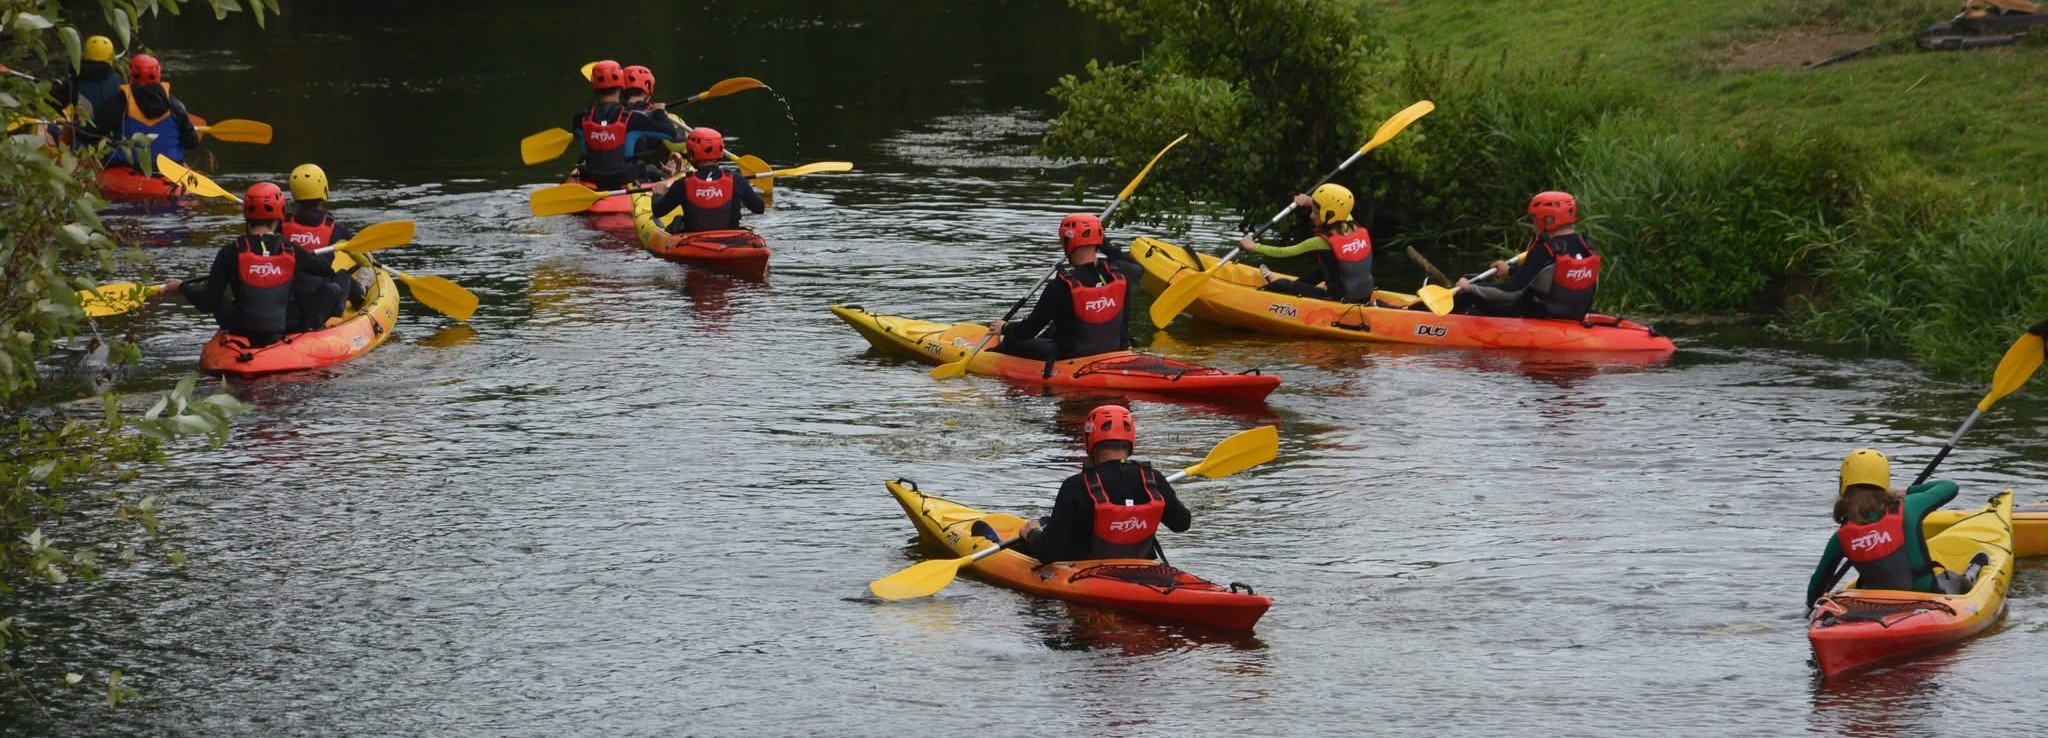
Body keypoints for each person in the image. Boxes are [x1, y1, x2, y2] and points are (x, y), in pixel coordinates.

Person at [165, 183, 340, 346]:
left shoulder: (229, 252)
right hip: (285, 327)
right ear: (281, 213)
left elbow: (207, 303)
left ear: (246, 215)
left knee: (218, 297)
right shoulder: (292, 250)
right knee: (333, 289)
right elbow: (325, 271)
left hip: (240, 329)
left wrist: (182, 287)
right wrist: (302, 260)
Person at [1015, 405, 1191, 562]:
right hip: (1143, 570)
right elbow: (1182, 524)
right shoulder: (1153, 480)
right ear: (1131, 441)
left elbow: (1048, 553)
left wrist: (1031, 533)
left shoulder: (1076, 485)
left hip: (1086, 574)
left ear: (1090, 439)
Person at [1804, 448, 1963, 608]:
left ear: (1843, 482)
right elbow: (1948, 487)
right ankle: (1975, 569)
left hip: (1876, 604)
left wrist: (1813, 605)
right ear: (1884, 482)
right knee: (1955, 578)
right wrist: (1905, 491)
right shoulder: (1910, 506)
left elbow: (1816, 588)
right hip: (1927, 596)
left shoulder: (1840, 537)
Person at [985, 213, 1135, 361]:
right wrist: (1106, 247)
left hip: (1072, 357)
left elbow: (1028, 331)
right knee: (1053, 329)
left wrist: (1005, 328)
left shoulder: (1060, 286)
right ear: (1100, 242)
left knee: (1012, 340)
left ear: (1066, 241)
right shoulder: (1120, 274)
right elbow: (1135, 265)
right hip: (1115, 350)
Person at [1457, 191, 1602, 319]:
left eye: (1535, 219)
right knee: (1479, 286)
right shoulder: (1586, 247)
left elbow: (1510, 292)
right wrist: (1510, 271)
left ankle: (1441, 327)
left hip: (1536, 315)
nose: (1534, 225)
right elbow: (1549, 277)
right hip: (1574, 316)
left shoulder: (1545, 249)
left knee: (1471, 288)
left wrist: (1470, 287)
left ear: (1549, 220)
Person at [1238, 184, 1378, 304]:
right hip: (1363, 294)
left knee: (1283, 284)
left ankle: (1260, 296)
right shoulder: (1350, 223)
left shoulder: (1321, 241)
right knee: (1321, 268)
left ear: (1328, 215)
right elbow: (1336, 207)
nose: (1311, 216)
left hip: (1337, 298)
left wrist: (1253, 246)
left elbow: (1284, 252)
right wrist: (1309, 201)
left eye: (1316, 212)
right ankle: (1289, 289)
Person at [569, 60, 678, 190]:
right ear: (621, 86)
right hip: (623, 180)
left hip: (591, 178)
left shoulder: (580, 118)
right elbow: (670, 133)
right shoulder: (633, 119)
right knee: (643, 165)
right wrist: (659, 112)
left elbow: (577, 136)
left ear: (595, 88)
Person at [92, 54, 199, 175]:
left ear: (130, 74)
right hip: (171, 170)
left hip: (126, 168)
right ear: (158, 74)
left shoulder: (117, 103)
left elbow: (92, 134)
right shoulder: (175, 105)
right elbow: (192, 143)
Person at [646, 128, 765, 233]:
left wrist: (657, 193)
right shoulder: (738, 180)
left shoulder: (683, 184)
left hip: (694, 243)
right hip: (730, 240)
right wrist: (739, 198)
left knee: (677, 221)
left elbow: (658, 211)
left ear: (691, 152)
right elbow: (760, 208)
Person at [283, 163, 368, 309]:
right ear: (324, 190)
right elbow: (364, 261)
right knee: (349, 274)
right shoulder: (335, 228)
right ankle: (362, 296)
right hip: (322, 303)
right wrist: (368, 256)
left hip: (288, 301)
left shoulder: (281, 224)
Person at [49, 35, 123, 137]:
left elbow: (55, 102)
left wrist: (56, 87)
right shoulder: (118, 80)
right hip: (110, 136)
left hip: (84, 137)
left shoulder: (77, 81)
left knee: (51, 127)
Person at [619, 65, 680, 181]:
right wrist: (660, 114)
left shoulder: (614, 113)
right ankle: (672, 165)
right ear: (648, 87)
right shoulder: (657, 115)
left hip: (618, 169)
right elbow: (676, 138)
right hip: (648, 172)